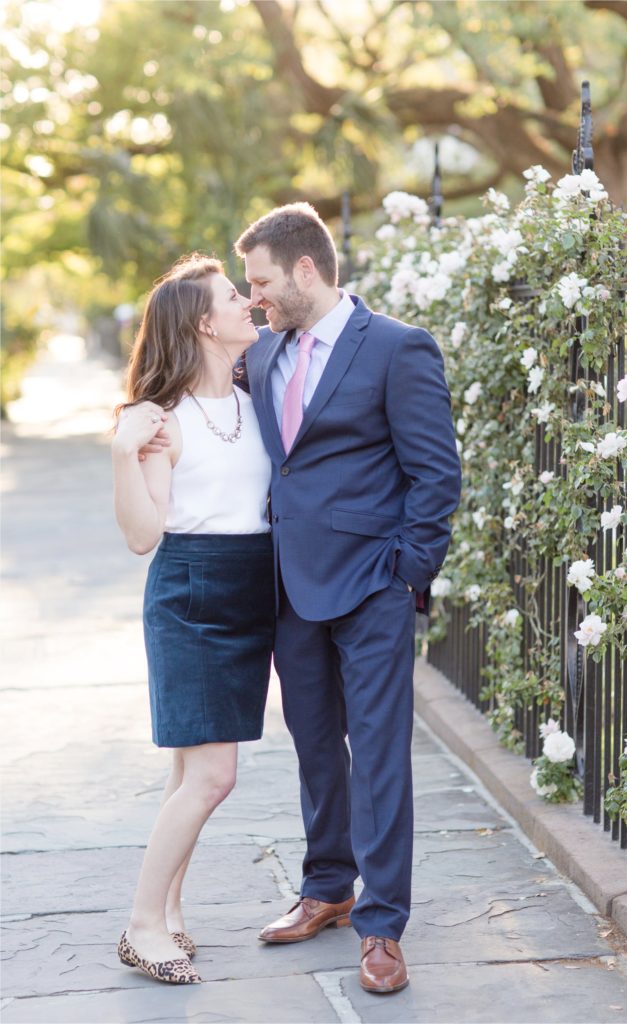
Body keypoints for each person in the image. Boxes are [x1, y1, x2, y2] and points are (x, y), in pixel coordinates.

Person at [233, 202, 461, 994]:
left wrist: (405, 572)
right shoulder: (262, 355)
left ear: (304, 269)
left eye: (260, 281)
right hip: (289, 585)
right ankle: (328, 888)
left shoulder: (397, 348)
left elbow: (436, 475)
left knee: (379, 756)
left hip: (372, 586)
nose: (252, 295)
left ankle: (382, 924)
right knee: (314, 748)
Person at [111, 254, 274, 985]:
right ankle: (143, 925)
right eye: (236, 296)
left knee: (189, 772)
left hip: (251, 588)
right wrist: (123, 452)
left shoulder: (255, 393)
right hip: (190, 594)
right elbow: (144, 535)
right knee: (212, 776)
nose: (250, 304)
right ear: (205, 322)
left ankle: (171, 913)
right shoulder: (162, 421)